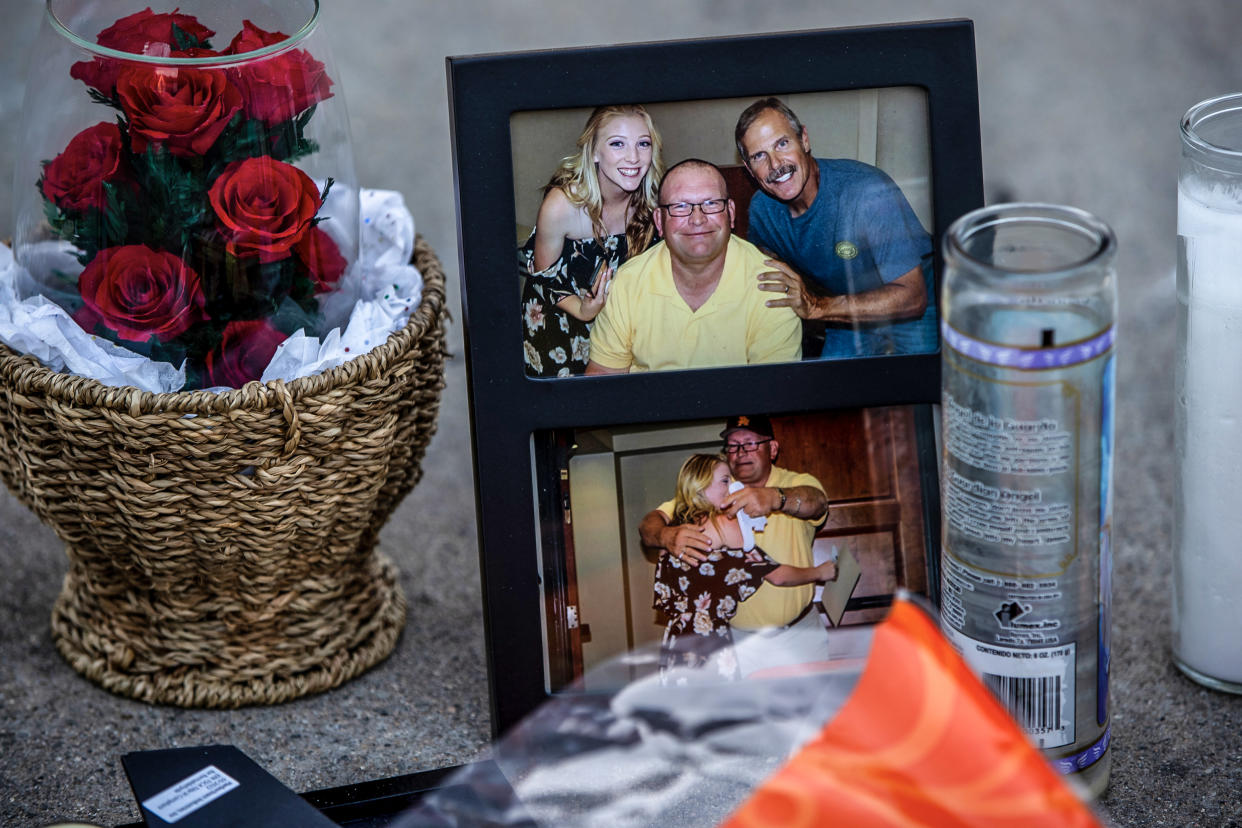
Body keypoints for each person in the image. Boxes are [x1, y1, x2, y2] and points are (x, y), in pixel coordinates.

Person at [734, 97, 937, 358]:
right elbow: (765, 268)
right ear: (750, 170)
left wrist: (817, 306)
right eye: (759, 156)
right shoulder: (762, 210)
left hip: (914, 302)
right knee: (831, 390)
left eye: (782, 144)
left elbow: (913, 298)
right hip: (847, 306)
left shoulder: (866, 191)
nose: (775, 165)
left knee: (922, 385)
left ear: (804, 139)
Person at [640, 414, 831, 675]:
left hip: (799, 633)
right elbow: (649, 526)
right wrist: (665, 536)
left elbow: (817, 502)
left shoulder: (795, 483)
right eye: (733, 445)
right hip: (740, 642)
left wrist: (776, 498)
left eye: (750, 443)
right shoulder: (709, 493)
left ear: (772, 449)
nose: (741, 452)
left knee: (813, 713)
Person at [584, 159, 801, 374]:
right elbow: (602, 378)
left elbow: (771, 394)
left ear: (731, 213)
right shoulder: (628, 282)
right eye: (680, 206)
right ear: (659, 221)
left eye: (711, 203)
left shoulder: (772, 285)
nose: (697, 219)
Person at [521, 105, 665, 377]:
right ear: (595, 152)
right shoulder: (562, 205)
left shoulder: (655, 202)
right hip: (558, 323)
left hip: (618, 327)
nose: (633, 157)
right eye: (617, 144)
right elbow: (544, 278)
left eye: (643, 144)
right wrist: (583, 310)